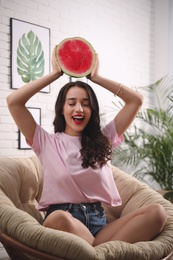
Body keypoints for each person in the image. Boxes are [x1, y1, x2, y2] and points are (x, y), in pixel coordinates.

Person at [7, 47, 167, 246]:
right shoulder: (45, 142)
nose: (79, 109)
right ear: (62, 109)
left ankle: (95, 251)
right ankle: (100, 251)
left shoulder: (104, 138)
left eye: (85, 103)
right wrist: (55, 73)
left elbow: (135, 100)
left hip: (99, 225)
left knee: (157, 213)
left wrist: (96, 77)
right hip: (65, 222)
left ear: (92, 109)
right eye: (71, 103)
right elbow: (14, 102)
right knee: (58, 218)